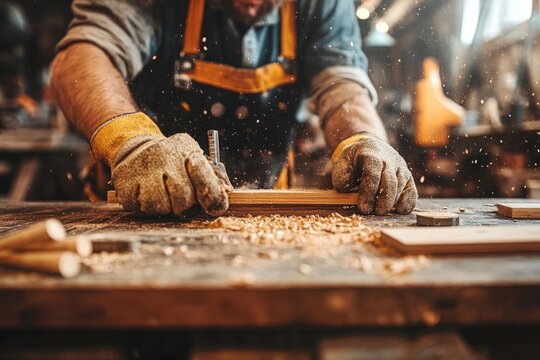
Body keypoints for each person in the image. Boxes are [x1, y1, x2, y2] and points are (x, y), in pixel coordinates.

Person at [50, 0, 417, 217]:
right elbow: (82, 56)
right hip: (143, 206)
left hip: (267, 203)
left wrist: (364, 137)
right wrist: (133, 143)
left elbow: (342, 86)